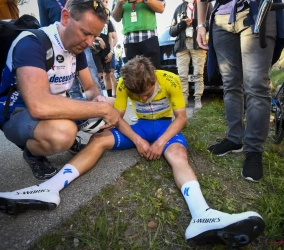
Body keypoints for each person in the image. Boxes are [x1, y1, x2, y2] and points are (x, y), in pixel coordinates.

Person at [0, 56, 265, 248]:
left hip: (166, 128)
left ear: (154, 78)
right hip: (140, 128)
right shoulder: (126, 86)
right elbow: (117, 117)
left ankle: (202, 213)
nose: (145, 99)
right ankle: (51, 187)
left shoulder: (170, 79)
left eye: (148, 93)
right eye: (139, 97)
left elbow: (181, 118)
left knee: (177, 156)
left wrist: (160, 142)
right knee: (98, 140)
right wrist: (138, 140)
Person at [0, 0, 120, 180]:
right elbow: (39, 105)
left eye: (94, 36)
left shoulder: (75, 47)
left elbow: (89, 87)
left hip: (53, 108)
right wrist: (99, 109)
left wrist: (98, 98)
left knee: (113, 102)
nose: (89, 43)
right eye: (86, 33)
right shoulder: (32, 43)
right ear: (65, 17)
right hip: (18, 113)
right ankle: (32, 154)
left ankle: (70, 134)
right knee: (64, 133)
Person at [196, 0, 284, 182]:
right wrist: (201, 24)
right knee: (230, 84)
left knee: (256, 85)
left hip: (257, 9)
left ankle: (254, 151)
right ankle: (234, 139)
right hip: (221, 17)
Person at [112, 0, 165, 122]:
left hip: (149, 36)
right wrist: (119, 3)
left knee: (154, 73)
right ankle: (141, 112)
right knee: (133, 77)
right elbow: (116, 17)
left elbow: (161, 7)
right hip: (129, 39)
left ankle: (159, 110)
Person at [170, 0, 212, 110]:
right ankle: (184, 100)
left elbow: (213, 21)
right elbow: (171, 31)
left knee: (198, 73)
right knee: (182, 75)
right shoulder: (179, 8)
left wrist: (198, 24)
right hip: (182, 45)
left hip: (198, 43)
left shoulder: (204, 3)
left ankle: (198, 99)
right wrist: (181, 25)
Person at [92, 0, 115, 97]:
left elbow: (110, 38)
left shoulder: (108, 23)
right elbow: (90, 33)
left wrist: (111, 51)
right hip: (96, 51)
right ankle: (98, 96)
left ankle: (109, 97)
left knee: (107, 75)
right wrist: (98, 38)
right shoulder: (93, 19)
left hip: (106, 51)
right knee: (98, 74)